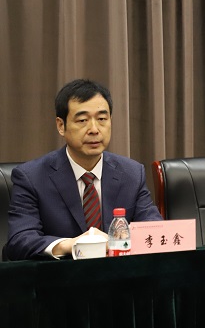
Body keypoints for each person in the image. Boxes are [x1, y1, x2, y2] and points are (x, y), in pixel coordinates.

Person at [5, 79, 162, 260]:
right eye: (82, 120)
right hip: (61, 276)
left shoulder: (132, 173)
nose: (94, 129)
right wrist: (73, 244)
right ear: (61, 126)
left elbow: (156, 233)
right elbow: (20, 240)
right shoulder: (31, 177)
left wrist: (117, 241)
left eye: (102, 119)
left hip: (120, 276)